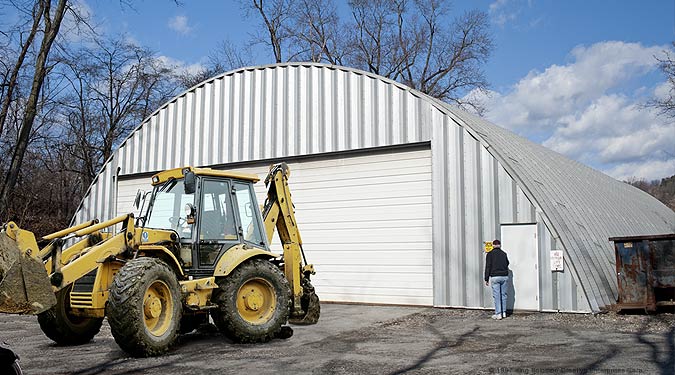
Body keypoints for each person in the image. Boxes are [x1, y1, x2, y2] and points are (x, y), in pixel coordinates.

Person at [484, 239, 509, 320]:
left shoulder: (490, 254)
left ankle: (498, 314)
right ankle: (504, 312)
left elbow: (488, 267)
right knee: (504, 295)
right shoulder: (504, 254)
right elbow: (507, 263)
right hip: (504, 276)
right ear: (500, 245)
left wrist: (486, 278)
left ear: (493, 245)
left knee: (497, 295)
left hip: (495, 277)